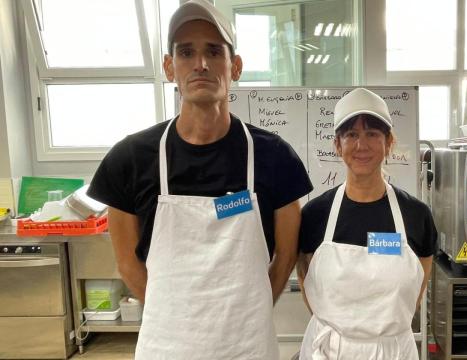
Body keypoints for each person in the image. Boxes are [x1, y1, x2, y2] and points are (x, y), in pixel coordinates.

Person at [87, 1, 313, 359]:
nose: (201, 64)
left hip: (248, 346)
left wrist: (246, 315)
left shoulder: (274, 157)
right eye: (186, 52)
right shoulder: (129, 159)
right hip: (167, 346)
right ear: (168, 66)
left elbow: (286, 257)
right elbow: (128, 263)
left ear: (235, 66)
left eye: (214, 51)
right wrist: (176, 318)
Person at [296, 88, 437, 359]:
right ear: (338, 145)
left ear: (389, 142)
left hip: (393, 351)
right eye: (351, 135)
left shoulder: (416, 216)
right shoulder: (315, 214)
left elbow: (415, 293)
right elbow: (307, 285)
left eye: (372, 133)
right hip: (330, 350)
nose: (362, 145)